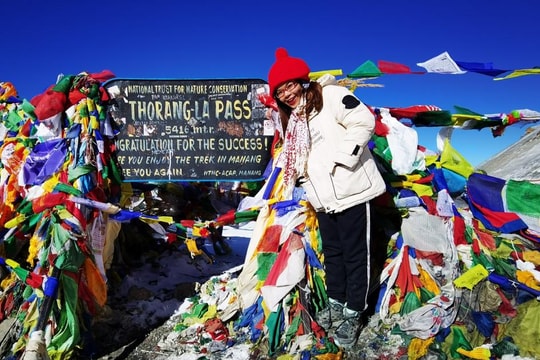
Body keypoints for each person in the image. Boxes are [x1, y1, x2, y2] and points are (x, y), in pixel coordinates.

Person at [266, 48, 387, 348]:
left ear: (301, 80)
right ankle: (336, 302)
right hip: (323, 200)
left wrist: (344, 160)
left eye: (289, 85)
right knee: (333, 253)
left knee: (356, 254)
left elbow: (363, 120)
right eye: (280, 91)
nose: (287, 94)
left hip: (353, 191)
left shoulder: (330, 96)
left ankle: (354, 312)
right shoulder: (294, 121)